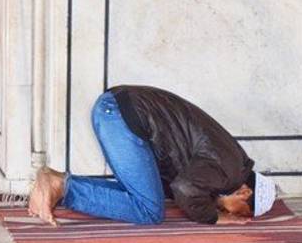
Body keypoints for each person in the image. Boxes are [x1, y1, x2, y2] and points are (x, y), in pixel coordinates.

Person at [27, 85, 277, 227]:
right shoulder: (230, 170)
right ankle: (62, 186)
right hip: (122, 116)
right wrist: (215, 217)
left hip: (120, 112)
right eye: (240, 212)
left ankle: (59, 184)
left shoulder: (231, 162)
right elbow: (185, 188)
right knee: (150, 211)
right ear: (245, 192)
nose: (232, 215)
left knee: (147, 194)